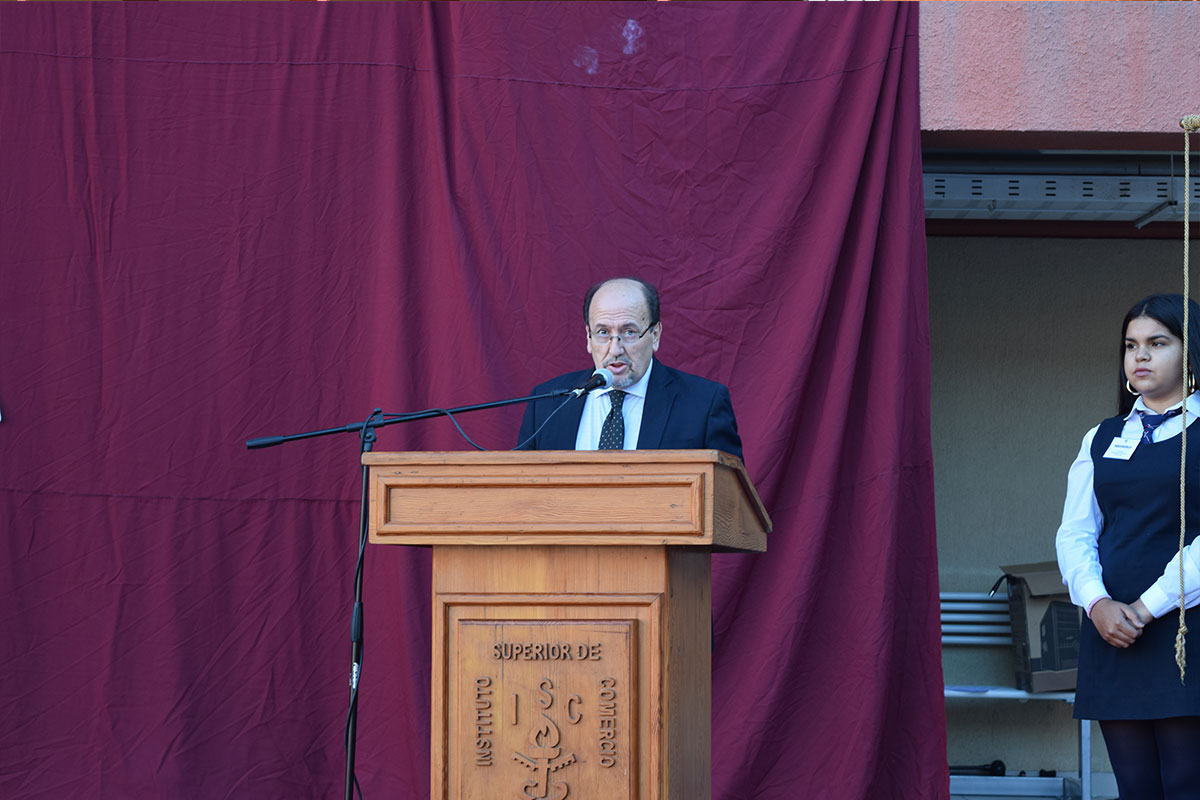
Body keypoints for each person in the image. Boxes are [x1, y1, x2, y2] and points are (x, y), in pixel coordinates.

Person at [1056, 293, 1200, 800]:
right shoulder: (1100, 437)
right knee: (1135, 787)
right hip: (1112, 632)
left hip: (1185, 629)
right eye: (1130, 345)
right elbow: (1075, 533)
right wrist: (1097, 603)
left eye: (1157, 343)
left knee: (1186, 784)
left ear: (1190, 351)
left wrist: (1144, 607)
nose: (1140, 356)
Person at [517, 277, 742, 460]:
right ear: (588, 337)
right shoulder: (547, 405)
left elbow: (728, 496)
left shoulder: (703, 404)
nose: (615, 349)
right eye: (603, 332)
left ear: (655, 335)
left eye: (629, 332)